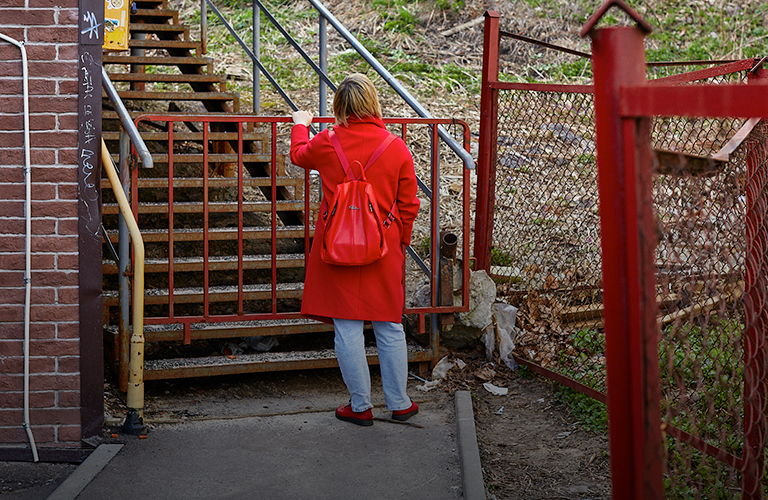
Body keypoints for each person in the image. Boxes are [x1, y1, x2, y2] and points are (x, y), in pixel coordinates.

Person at [290, 73, 420, 426]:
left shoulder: (327, 142)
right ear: (374, 104)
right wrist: (400, 241)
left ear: (339, 107)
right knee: (389, 326)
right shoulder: (396, 146)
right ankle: (400, 403)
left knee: (346, 327)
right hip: (384, 245)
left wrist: (301, 124)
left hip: (337, 245)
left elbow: (298, 155)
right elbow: (409, 204)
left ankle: (360, 406)